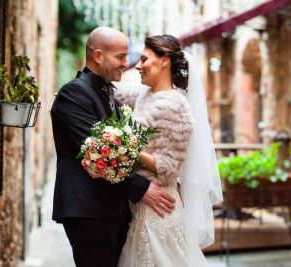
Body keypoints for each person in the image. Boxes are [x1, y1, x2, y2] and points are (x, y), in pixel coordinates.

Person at [50, 27, 176, 267]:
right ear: (98, 56)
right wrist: (143, 189)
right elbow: (98, 153)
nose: (125, 63)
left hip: (112, 209)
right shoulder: (73, 94)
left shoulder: (107, 92)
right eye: (120, 57)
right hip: (88, 210)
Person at [115, 35, 223, 267]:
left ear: (164, 61)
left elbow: (168, 168)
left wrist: (122, 150)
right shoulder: (146, 94)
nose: (137, 65)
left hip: (158, 208)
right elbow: (115, 92)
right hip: (140, 205)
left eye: (144, 59)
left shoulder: (176, 106)